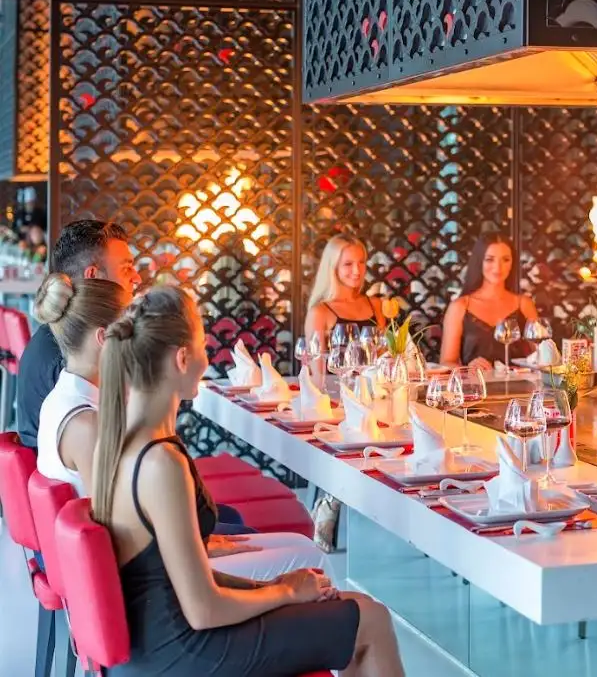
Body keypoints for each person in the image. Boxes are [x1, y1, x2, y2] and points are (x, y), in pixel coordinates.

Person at [93, 285, 403, 676]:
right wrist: (285, 592)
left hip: (158, 644)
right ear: (182, 358)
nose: (208, 358)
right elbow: (203, 610)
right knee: (371, 620)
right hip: (184, 652)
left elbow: (176, 578)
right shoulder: (160, 462)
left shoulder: (120, 440)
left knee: (358, 609)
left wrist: (273, 587)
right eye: (203, 345)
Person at [35, 273, 331, 583]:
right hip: (137, 577)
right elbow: (118, 534)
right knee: (310, 558)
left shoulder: (64, 399)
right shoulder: (87, 425)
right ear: (104, 337)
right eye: (130, 326)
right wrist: (198, 550)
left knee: (295, 545)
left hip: (139, 561)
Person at [15, 220, 141, 448]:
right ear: (93, 276)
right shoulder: (73, 355)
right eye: (126, 268)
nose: (137, 278)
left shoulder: (62, 334)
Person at [439, 233, 538, 370]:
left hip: (519, 383)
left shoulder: (524, 304)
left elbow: (541, 357)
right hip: (476, 383)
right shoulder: (460, 306)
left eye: (505, 260)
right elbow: (446, 362)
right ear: (479, 261)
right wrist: (468, 369)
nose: (498, 267)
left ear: (512, 263)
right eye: (490, 259)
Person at [304, 235, 387, 340]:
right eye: (348, 264)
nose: (357, 271)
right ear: (333, 267)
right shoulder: (319, 313)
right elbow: (316, 351)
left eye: (361, 262)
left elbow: (384, 349)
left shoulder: (376, 305)